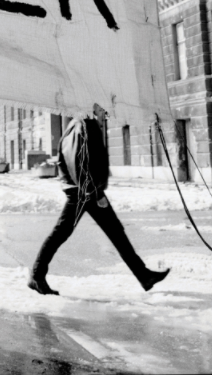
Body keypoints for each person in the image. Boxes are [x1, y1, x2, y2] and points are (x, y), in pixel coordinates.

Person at [28, 115, 170, 296]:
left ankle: (144, 275)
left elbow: (65, 160)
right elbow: (85, 162)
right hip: (87, 192)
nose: (104, 111)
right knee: (74, 233)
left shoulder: (72, 126)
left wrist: (77, 186)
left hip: (79, 189)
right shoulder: (86, 126)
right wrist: (95, 193)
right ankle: (36, 276)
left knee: (110, 232)